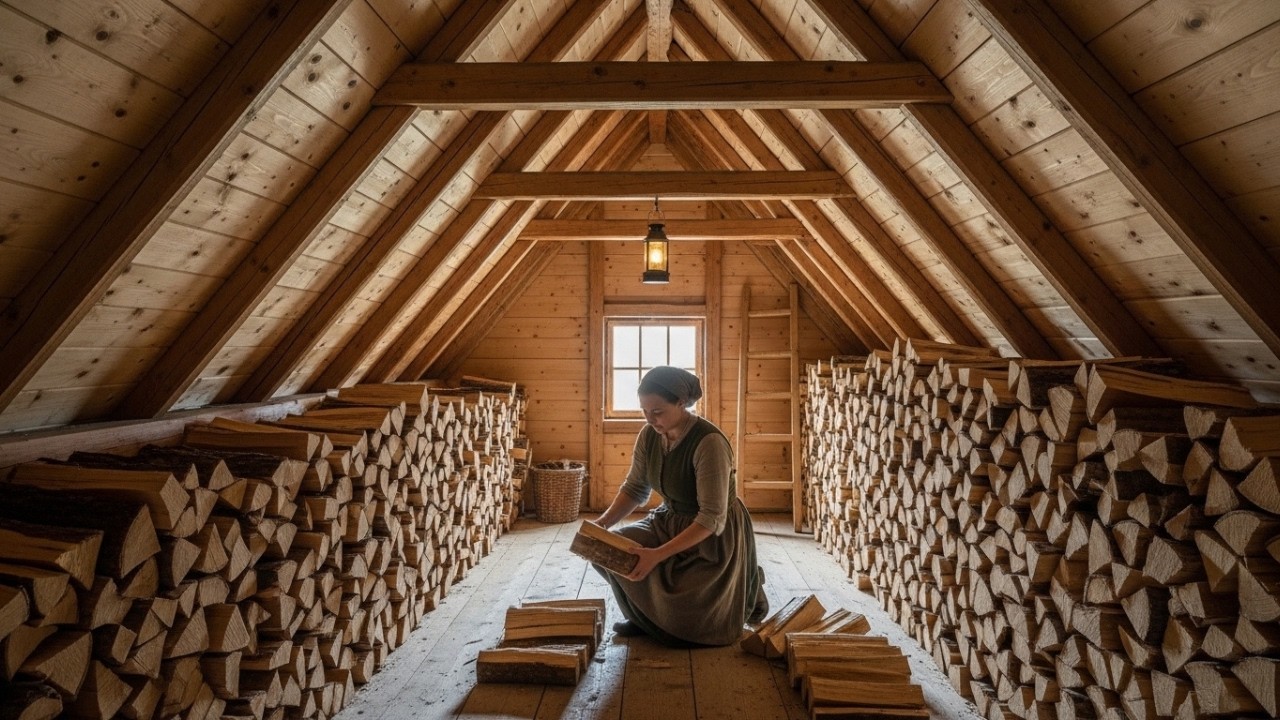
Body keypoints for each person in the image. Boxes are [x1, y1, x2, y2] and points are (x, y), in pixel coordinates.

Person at [591, 365, 768, 647]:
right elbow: (636, 488)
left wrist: (657, 555)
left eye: (657, 411)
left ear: (681, 403)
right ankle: (643, 618)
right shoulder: (649, 436)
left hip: (712, 535)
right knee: (605, 550)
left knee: (691, 616)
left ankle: (745, 581)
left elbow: (711, 518)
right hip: (669, 519)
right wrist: (601, 525)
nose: (650, 419)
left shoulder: (709, 443)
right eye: (644, 411)